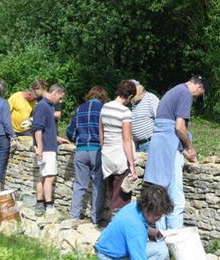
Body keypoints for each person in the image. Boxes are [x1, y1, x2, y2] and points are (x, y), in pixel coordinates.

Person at [143, 75, 207, 230]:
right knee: (176, 199)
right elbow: (179, 127)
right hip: (169, 148)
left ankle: (160, 238)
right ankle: (175, 240)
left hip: (158, 144)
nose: (196, 98)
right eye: (199, 95)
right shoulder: (185, 93)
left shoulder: (172, 91)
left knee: (159, 195)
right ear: (199, 88)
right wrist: (189, 147)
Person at [94, 184, 173, 260]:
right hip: (109, 257)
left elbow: (140, 225)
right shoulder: (136, 229)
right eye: (156, 215)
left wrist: (156, 233)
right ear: (147, 208)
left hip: (106, 248)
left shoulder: (136, 207)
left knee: (161, 250)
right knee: (161, 252)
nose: (158, 219)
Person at [66, 86, 108, 224]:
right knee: (98, 185)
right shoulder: (104, 109)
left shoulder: (79, 109)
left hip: (81, 150)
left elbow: (70, 133)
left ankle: (74, 216)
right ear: (102, 97)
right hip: (97, 151)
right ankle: (95, 218)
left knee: (79, 185)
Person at [100, 80, 137, 215]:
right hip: (120, 157)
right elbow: (126, 140)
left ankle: (113, 224)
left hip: (107, 155)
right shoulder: (125, 112)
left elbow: (101, 133)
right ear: (130, 96)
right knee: (121, 197)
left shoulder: (105, 107)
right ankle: (117, 228)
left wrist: (104, 149)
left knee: (111, 193)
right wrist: (132, 165)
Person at [33, 84, 68, 215]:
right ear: (55, 93)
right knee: (49, 176)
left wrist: (56, 137)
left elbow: (47, 127)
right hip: (46, 147)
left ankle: (39, 203)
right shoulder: (42, 106)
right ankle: (48, 206)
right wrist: (40, 148)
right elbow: (38, 129)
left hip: (48, 144)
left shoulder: (48, 106)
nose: (59, 101)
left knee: (43, 175)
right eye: (60, 98)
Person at [131, 80, 159, 152]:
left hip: (149, 143)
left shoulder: (150, 98)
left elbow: (160, 119)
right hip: (138, 144)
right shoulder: (134, 101)